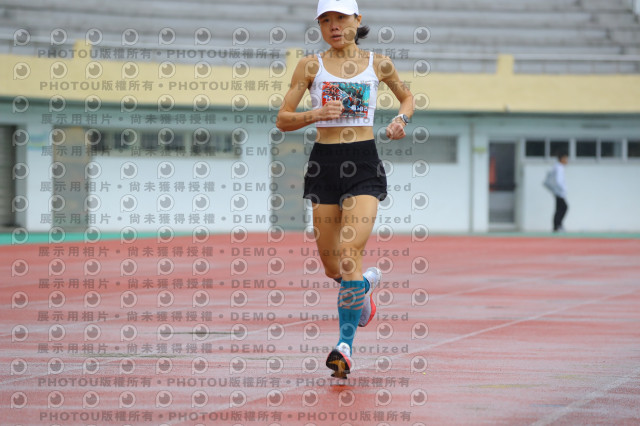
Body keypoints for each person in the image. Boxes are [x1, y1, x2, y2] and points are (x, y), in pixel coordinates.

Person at [276, 0, 414, 378]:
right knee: (332, 266)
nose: (334, 26)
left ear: (358, 20)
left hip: (363, 163)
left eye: (340, 18)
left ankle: (344, 347)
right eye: (325, 20)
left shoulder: (378, 64)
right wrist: (315, 114)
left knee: (350, 252)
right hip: (324, 164)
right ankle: (362, 288)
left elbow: (407, 97)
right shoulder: (310, 66)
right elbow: (283, 119)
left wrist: (401, 120)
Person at [545, 151, 568, 232]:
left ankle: (557, 226)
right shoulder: (559, 167)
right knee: (564, 207)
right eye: (565, 158)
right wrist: (562, 190)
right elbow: (559, 181)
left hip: (557, 191)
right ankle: (558, 225)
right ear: (561, 159)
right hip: (559, 192)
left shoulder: (556, 167)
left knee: (559, 208)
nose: (567, 160)